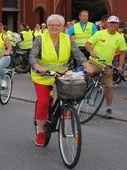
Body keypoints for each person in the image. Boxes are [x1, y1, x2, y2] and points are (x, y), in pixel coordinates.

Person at [30, 15, 95, 146]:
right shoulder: (40, 38)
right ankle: (41, 131)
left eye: (58, 25)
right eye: (51, 25)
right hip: (42, 75)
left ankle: (65, 109)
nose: (54, 27)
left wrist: (88, 66)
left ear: (63, 27)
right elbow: (33, 56)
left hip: (61, 74)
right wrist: (37, 66)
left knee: (69, 94)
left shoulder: (67, 39)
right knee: (43, 102)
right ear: (47, 26)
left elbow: (77, 54)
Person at [84, 15, 127, 119]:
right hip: (94, 62)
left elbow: (122, 53)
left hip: (107, 66)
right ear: (107, 24)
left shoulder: (120, 37)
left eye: (115, 23)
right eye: (111, 23)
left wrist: (121, 66)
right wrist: (91, 51)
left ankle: (108, 108)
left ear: (117, 25)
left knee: (109, 87)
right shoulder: (99, 33)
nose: (112, 25)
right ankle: (80, 96)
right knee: (87, 76)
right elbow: (87, 44)